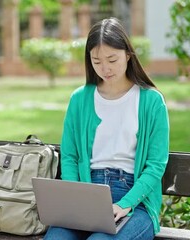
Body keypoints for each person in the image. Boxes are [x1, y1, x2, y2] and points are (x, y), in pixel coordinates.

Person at [44, 17, 170, 240]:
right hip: (87, 192)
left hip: (135, 199)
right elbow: (70, 157)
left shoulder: (151, 101)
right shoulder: (80, 99)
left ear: (128, 55)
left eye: (112, 59)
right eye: (97, 61)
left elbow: (156, 165)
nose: (105, 68)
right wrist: (77, 199)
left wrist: (126, 204)